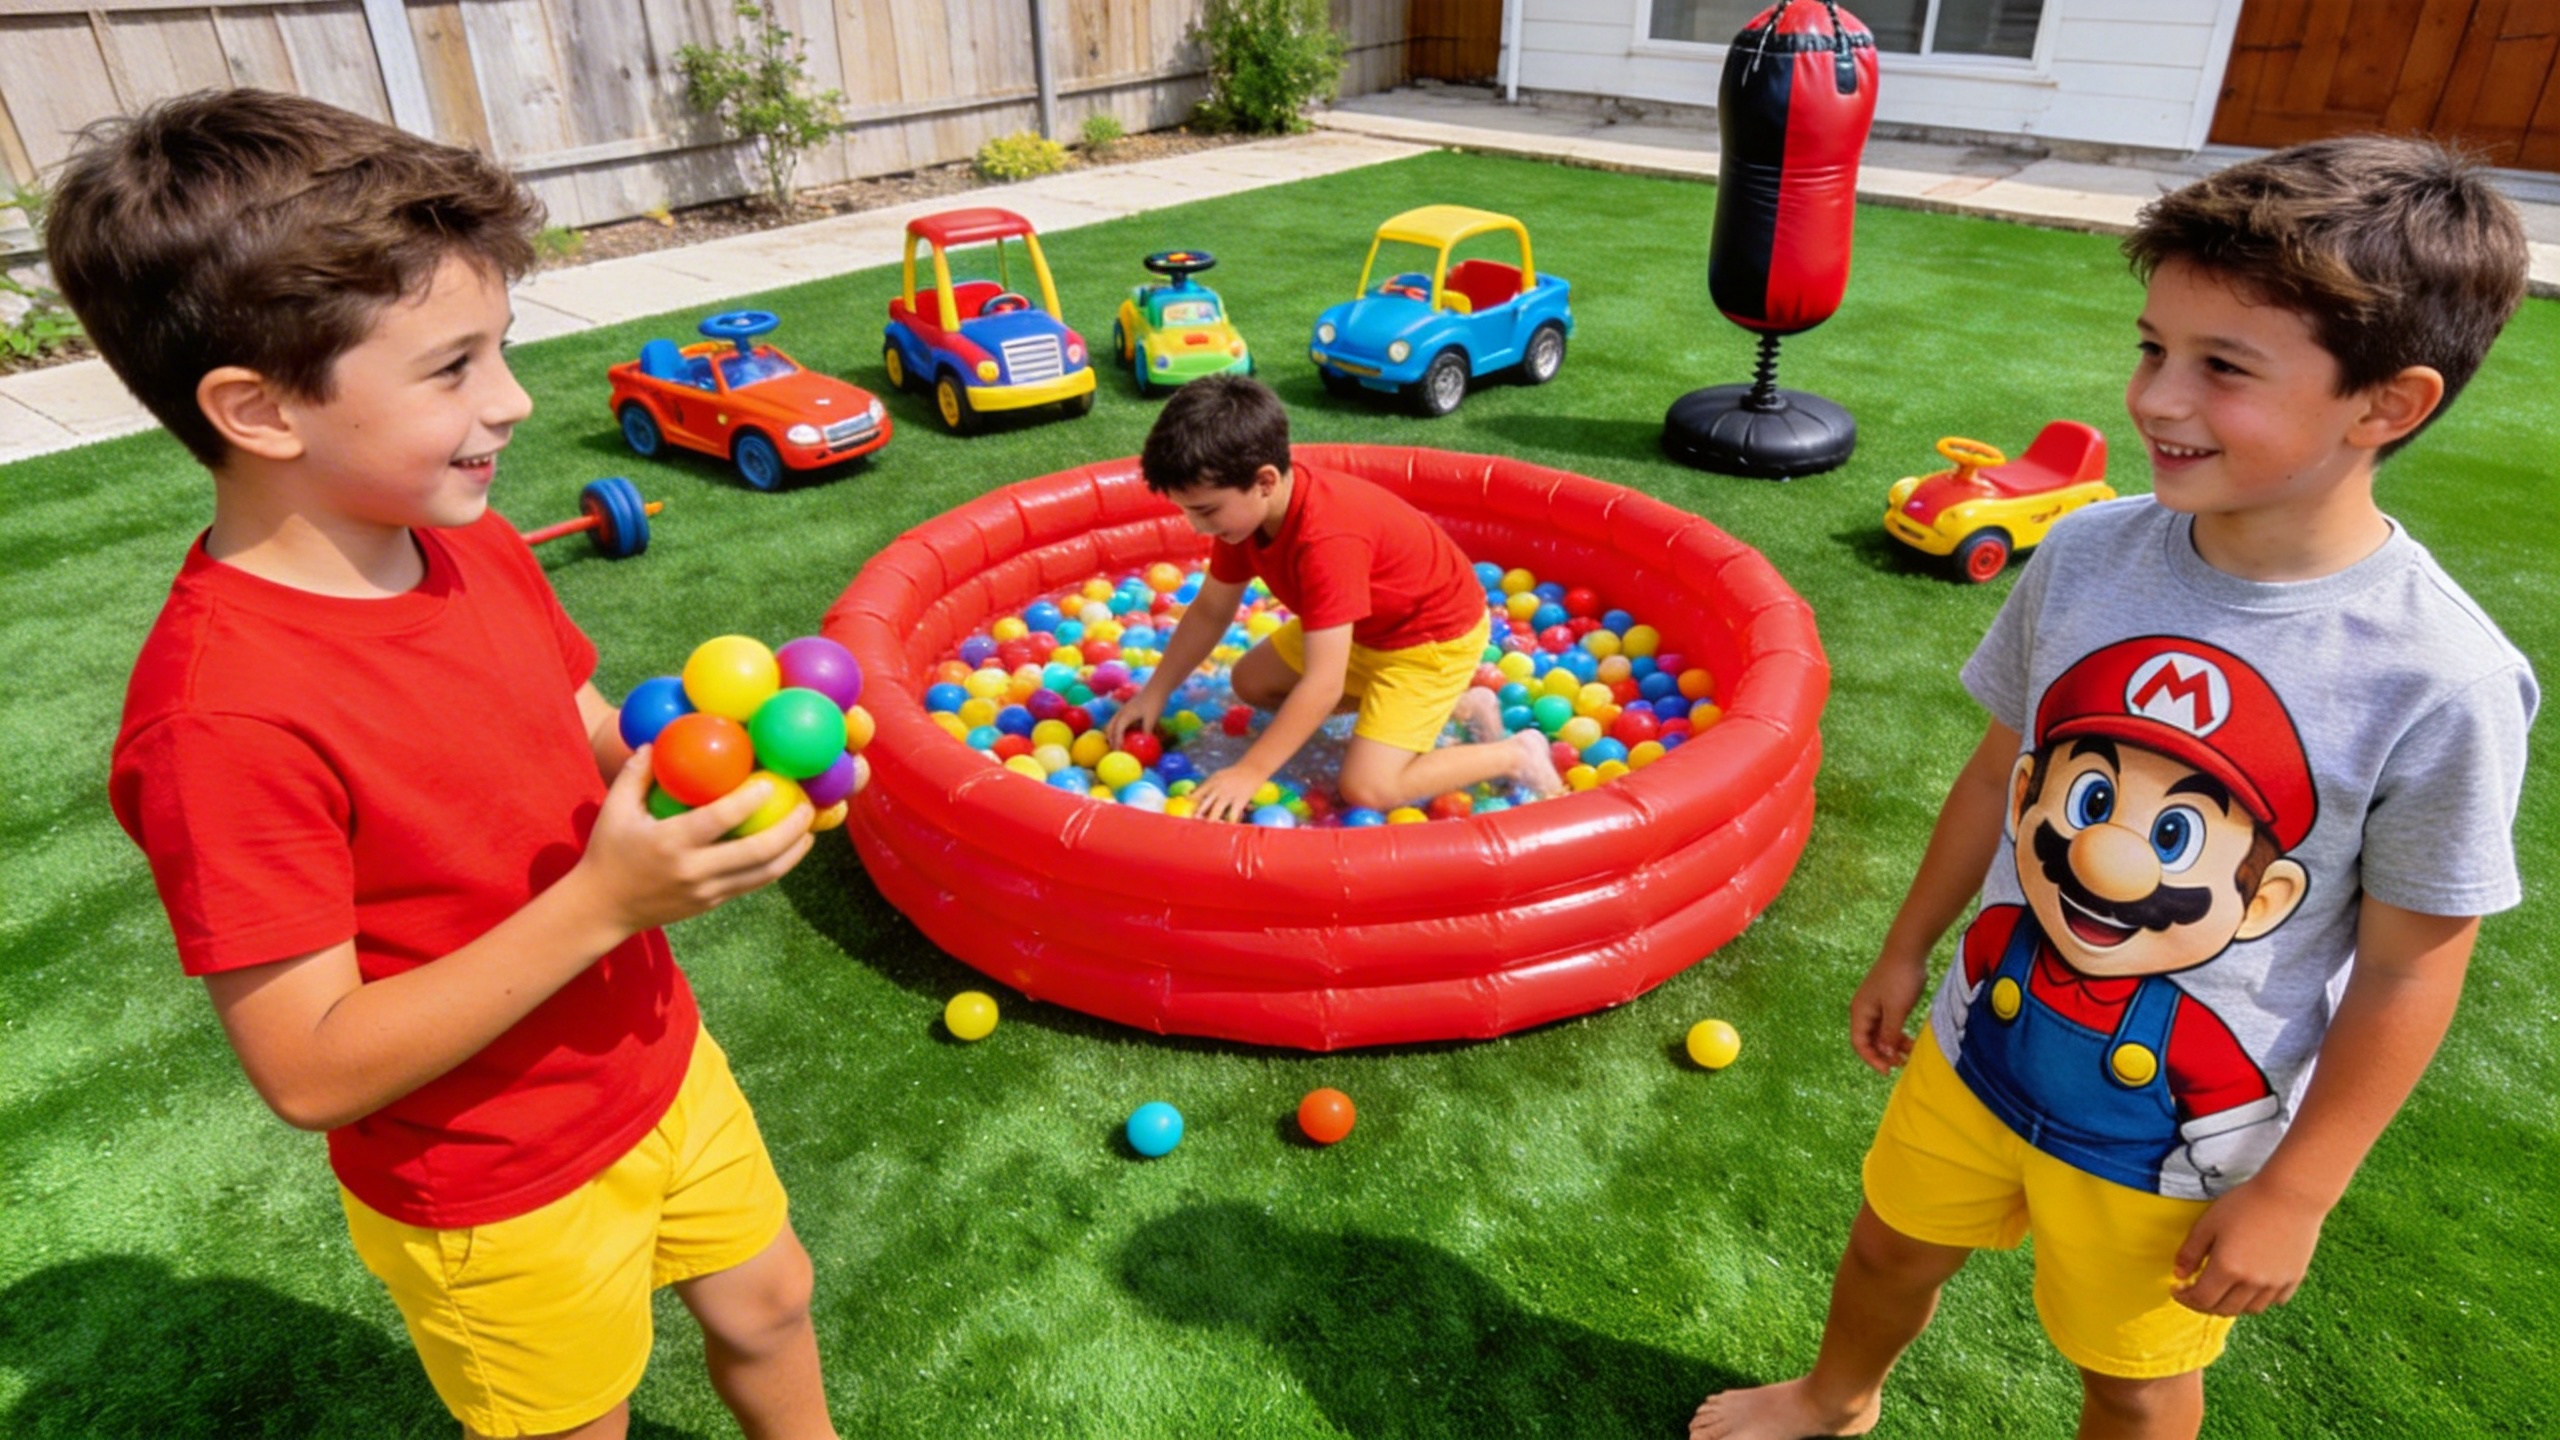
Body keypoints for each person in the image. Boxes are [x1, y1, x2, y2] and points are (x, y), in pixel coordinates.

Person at [1694, 135, 2537, 1440]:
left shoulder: (2440, 678)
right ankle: (1832, 1396)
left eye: (2223, 367)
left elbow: (2415, 965)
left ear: (2388, 404)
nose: (2157, 398)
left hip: (2181, 1149)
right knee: (1886, 1249)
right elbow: (2000, 773)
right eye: (2154, 347)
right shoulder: (2088, 552)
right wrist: (1909, 946)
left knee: (2135, 1379)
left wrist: (2300, 1191)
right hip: (1980, 1047)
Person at [51, 89, 839, 1440]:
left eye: (503, 348)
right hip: (489, 1185)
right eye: (452, 367)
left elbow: (574, 712)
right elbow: (310, 1070)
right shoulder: (219, 720)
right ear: (259, 409)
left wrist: (718, 788)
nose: (515, 400)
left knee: (771, 1302)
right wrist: (604, 902)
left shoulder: (462, 538)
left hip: (654, 1061)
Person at [1108, 374, 1564, 819]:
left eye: (1205, 510)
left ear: (1264, 481)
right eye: (1187, 511)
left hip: (1428, 642)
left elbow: (1323, 686)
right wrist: (1155, 693)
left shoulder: (1326, 540)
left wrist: (1250, 771)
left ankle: (1514, 754)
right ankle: (1459, 707)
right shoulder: (1242, 523)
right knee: (1251, 682)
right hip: (1366, 630)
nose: (1197, 526)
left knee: (1367, 788)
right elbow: (1211, 609)